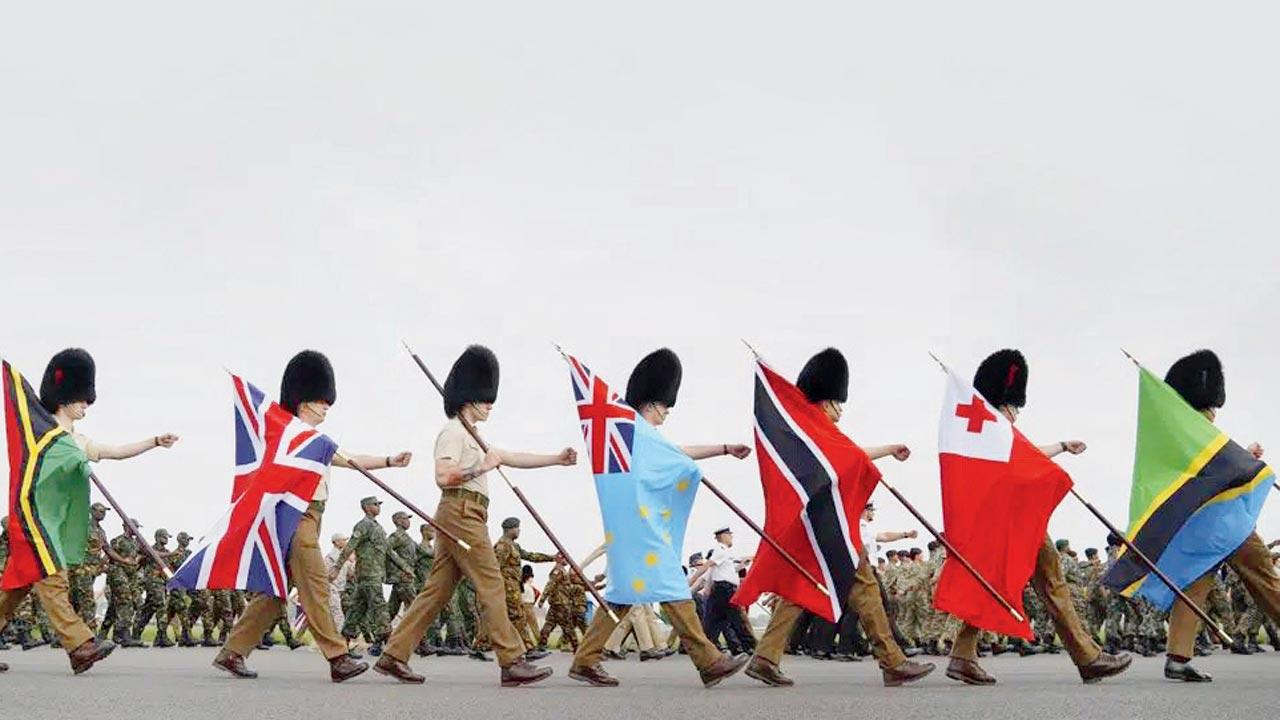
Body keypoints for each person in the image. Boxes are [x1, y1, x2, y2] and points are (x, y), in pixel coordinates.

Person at [374, 344, 574, 686]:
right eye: (484, 398)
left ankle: (394, 654)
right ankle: (512, 660)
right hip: (461, 511)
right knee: (492, 583)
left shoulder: (475, 436)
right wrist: (481, 467)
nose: (490, 404)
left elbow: (513, 456)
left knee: (436, 591)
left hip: (468, 513)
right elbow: (443, 476)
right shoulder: (452, 431)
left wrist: (556, 457)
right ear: (468, 398)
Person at [212, 350, 412, 683]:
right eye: (322, 401)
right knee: (317, 584)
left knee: (275, 592)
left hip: (311, 518)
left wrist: (389, 460)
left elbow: (351, 460)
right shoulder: (286, 436)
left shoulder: (317, 441)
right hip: (297, 517)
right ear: (305, 402)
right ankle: (337, 656)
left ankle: (232, 652)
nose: (327, 407)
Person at [744, 347, 935, 688]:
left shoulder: (809, 430)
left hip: (814, 527)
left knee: (802, 588)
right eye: (839, 403)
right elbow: (849, 458)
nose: (841, 410)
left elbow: (850, 456)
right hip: (829, 529)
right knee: (865, 587)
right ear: (827, 401)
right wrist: (887, 453)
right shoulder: (817, 428)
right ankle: (892, 661)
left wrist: (888, 451)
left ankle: (765, 657)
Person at [567, 348, 754, 689]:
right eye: (666, 407)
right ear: (653, 404)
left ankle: (584, 660)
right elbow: (679, 460)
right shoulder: (638, 431)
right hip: (642, 527)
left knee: (622, 592)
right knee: (670, 580)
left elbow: (678, 454)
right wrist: (700, 464)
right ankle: (709, 661)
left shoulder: (633, 434)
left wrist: (724, 448)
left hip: (631, 526)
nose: (667, 413)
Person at [945, 349, 1131, 686]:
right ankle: (1087, 657)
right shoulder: (993, 429)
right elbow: (1024, 464)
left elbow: (1026, 456)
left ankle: (962, 655)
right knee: (1046, 583)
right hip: (1015, 522)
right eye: (1015, 407)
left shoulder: (988, 432)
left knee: (1002, 585)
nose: (1017, 414)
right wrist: (1054, 468)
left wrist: (1060, 446)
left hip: (1008, 520)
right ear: (1005, 403)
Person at [1, 348, 175, 674]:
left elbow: (117, 452)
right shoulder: (39, 432)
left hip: (52, 523)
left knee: (14, 591)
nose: (86, 405)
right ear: (63, 398)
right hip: (32, 519)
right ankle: (80, 645)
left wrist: (154, 440)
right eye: (81, 399)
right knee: (53, 578)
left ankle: (78, 645)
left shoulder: (77, 441)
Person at [1156, 350, 1280, 682]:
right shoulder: (1203, 433)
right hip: (1226, 522)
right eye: (1212, 408)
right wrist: (1252, 461)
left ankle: (1178, 659)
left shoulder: (1182, 434)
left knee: (1194, 585)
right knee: (1266, 580)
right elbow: (1225, 471)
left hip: (1199, 525)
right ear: (1206, 405)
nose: (1214, 413)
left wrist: (1246, 456)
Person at [334, 496, 407, 657]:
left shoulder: (378, 527)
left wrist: (405, 568)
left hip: (374, 574)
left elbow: (389, 552)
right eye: (375, 504)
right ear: (366, 507)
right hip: (368, 574)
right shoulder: (363, 525)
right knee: (380, 608)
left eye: (378, 504)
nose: (378, 507)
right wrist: (337, 567)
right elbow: (349, 547)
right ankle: (390, 650)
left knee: (356, 610)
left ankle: (342, 646)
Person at [493, 517, 555, 659]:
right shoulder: (503, 545)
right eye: (517, 528)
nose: (519, 530)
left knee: (514, 617)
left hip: (514, 586)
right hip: (507, 586)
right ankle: (528, 649)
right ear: (511, 529)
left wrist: (551, 558)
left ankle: (520, 648)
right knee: (518, 616)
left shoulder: (514, 546)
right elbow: (495, 567)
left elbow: (530, 556)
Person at [701, 527, 755, 655]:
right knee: (736, 618)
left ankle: (706, 647)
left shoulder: (727, 552)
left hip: (723, 589)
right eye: (729, 535)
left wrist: (744, 564)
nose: (731, 537)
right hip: (725, 590)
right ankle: (749, 645)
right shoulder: (721, 550)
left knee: (715, 620)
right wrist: (692, 580)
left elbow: (731, 570)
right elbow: (708, 565)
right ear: (724, 536)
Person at [386, 511, 418, 627]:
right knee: (415, 608)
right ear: (398, 521)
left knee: (391, 610)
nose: (408, 521)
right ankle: (420, 641)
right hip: (403, 578)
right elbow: (386, 550)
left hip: (404, 579)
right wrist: (403, 567)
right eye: (405, 519)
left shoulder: (407, 537)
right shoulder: (397, 536)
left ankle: (379, 640)